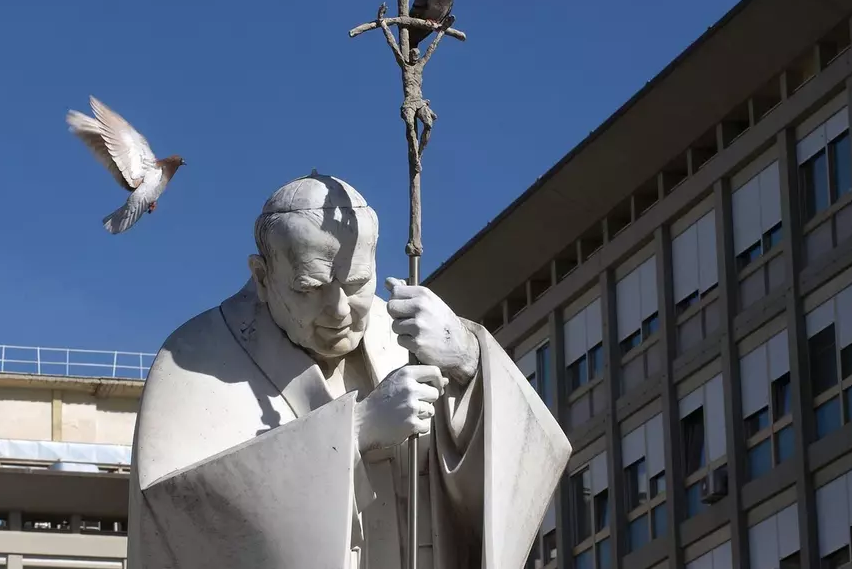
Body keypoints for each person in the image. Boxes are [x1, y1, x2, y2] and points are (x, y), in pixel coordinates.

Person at [128, 173, 570, 569]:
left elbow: (530, 462)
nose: (339, 310)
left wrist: (468, 361)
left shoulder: (407, 337)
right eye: (311, 288)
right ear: (262, 277)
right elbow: (176, 515)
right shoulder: (195, 355)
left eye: (357, 283)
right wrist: (356, 430)